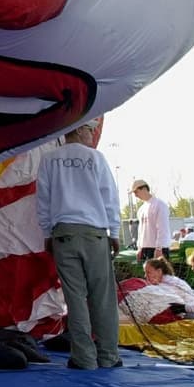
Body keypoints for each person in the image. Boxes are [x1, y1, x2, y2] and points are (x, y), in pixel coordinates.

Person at [36, 119, 122, 370]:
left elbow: (43, 200)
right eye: (91, 130)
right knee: (102, 297)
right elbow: (109, 197)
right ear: (81, 130)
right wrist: (114, 231)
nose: (92, 135)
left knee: (75, 297)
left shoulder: (49, 160)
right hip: (94, 232)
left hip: (64, 233)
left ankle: (83, 358)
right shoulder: (95, 158)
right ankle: (108, 355)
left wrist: (47, 233)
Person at [130, 179, 170, 262]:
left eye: (136, 192)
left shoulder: (159, 205)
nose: (135, 195)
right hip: (146, 249)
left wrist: (159, 248)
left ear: (144, 188)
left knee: (161, 274)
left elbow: (162, 228)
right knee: (148, 275)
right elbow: (141, 231)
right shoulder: (141, 209)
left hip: (158, 248)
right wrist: (139, 248)